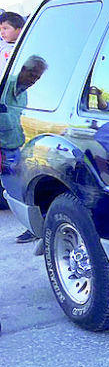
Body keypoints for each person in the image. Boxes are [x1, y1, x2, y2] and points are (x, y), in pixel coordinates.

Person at [0, 54, 47, 242]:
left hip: (14, 148)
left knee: (19, 191)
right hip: (2, 148)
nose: (33, 80)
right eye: (32, 75)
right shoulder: (3, 86)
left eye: (37, 78)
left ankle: (34, 229)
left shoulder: (25, 93)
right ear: (23, 70)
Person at [0, 11, 25, 76]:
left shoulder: (24, 46)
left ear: (19, 30)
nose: (2, 32)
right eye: (0, 29)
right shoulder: (3, 47)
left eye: (5, 28)